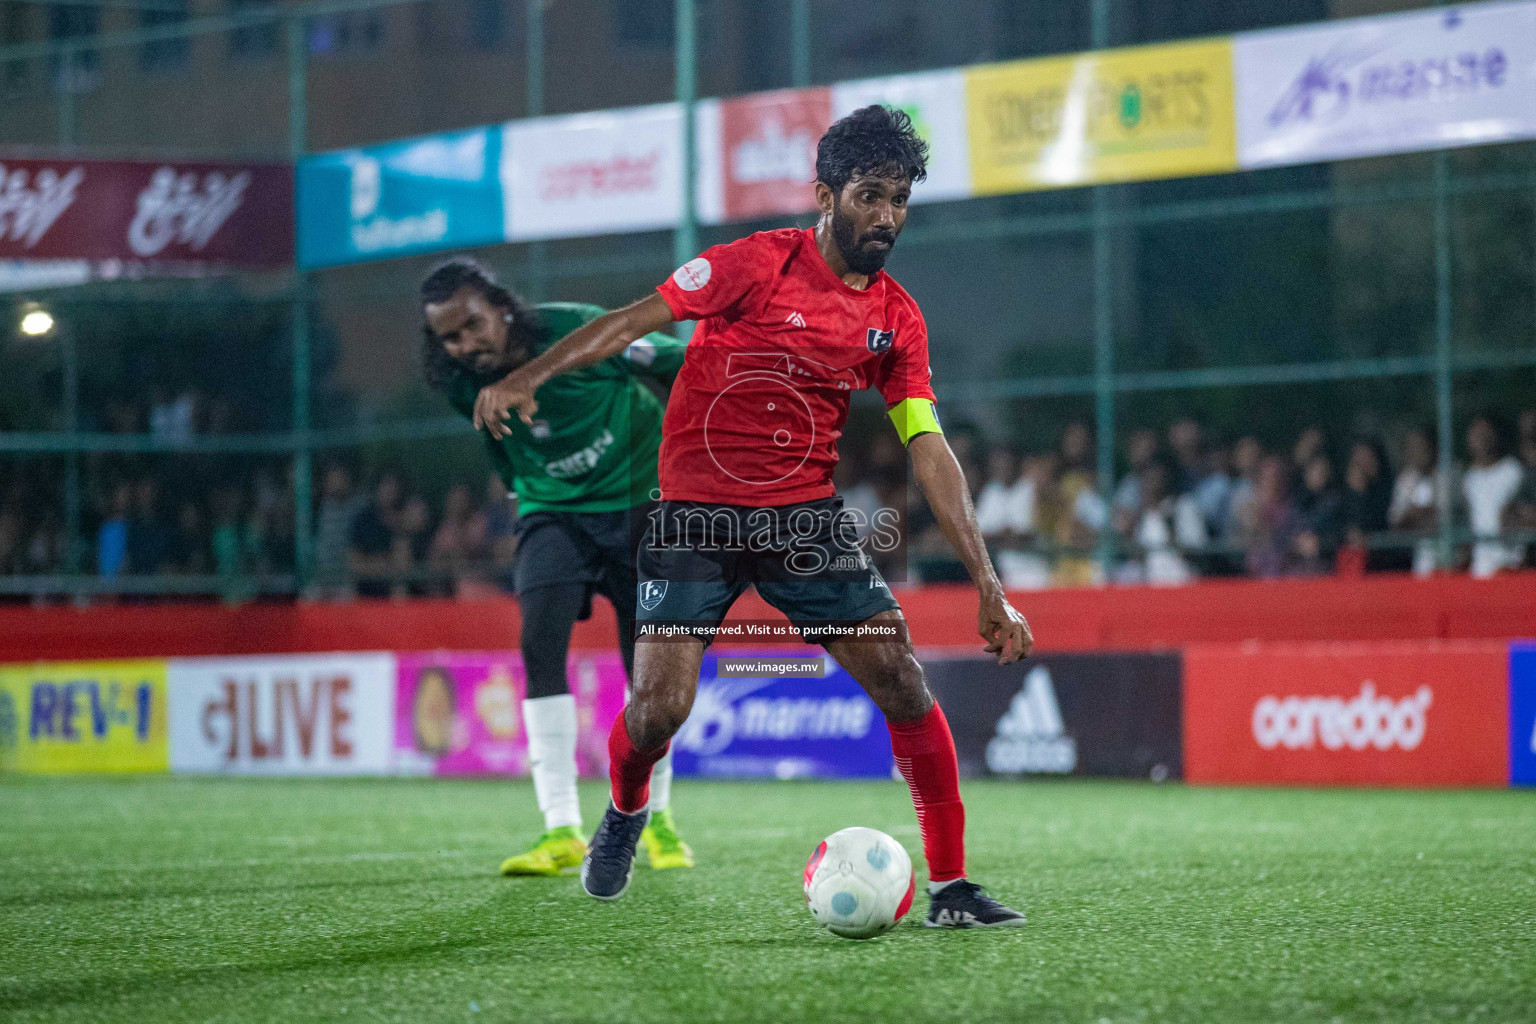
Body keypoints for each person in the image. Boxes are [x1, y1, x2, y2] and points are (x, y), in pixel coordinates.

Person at [473, 106, 1032, 927]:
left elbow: (929, 446)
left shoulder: (897, 318)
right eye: (870, 194)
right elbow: (633, 321)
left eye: (900, 199)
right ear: (826, 193)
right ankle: (625, 811)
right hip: (694, 519)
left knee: (904, 681)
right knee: (660, 709)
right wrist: (531, 375)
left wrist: (989, 583)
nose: (885, 216)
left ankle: (950, 887)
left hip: (803, 520)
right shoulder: (756, 265)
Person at [420, 256, 694, 878]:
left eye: (473, 326)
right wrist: (528, 491)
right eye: (450, 338)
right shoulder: (460, 382)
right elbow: (499, 444)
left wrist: (693, 448)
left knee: (647, 669)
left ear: (503, 307)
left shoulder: (585, 329)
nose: (465, 345)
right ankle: (562, 829)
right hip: (553, 513)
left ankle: (659, 819)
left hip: (642, 504)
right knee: (539, 645)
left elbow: (680, 363)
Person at [1462, 413, 1524, 578]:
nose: (1482, 439)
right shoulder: (1469, 478)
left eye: (1486, 433)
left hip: (1509, 564)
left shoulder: (1513, 471)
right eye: (1476, 434)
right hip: (1479, 569)